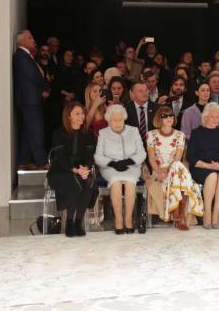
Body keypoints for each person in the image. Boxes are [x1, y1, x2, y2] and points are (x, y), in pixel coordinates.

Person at [146, 106, 203, 230]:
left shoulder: (180, 135)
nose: (169, 118)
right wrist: (159, 171)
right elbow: (151, 158)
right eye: (165, 116)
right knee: (185, 181)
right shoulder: (151, 135)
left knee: (177, 166)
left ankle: (178, 214)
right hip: (159, 171)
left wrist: (168, 171)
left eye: (171, 115)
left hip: (174, 169)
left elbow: (177, 158)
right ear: (159, 119)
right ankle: (180, 216)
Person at [94, 104, 147, 234]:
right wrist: (113, 164)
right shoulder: (103, 133)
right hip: (110, 167)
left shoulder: (133, 131)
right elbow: (98, 156)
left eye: (120, 120)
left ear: (124, 119)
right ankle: (118, 219)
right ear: (109, 121)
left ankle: (128, 219)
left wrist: (128, 161)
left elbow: (142, 153)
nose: (117, 123)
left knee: (130, 182)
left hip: (131, 166)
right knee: (116, 181)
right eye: (114, 120)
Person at [47, 102, 97, 237]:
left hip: (81, 169)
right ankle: (69, 221)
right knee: (75, 182)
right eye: (77, 113)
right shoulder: (58, 133)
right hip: (61, 170)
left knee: (90, 182)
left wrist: (85, 168)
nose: (82, 116)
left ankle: (77, 222)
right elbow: (61, 157)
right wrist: (75, 170)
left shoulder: (89, 134)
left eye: (82, 113)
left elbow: (89, 154)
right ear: (68, 116)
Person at [186, 102, 219, 229]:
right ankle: (207, 212)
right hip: (200, 168)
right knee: (212, 176)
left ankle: (216, 213)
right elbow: (190, 156)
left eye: (218, 117)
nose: (215, 119)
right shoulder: (196, 133)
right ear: (205, 116)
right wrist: (207, 166)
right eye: (212, 116)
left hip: (218, 167)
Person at [13, 30, 50, 169]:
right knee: (36, 130)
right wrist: (46, 87)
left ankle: (23, 160)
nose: (33, 40)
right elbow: (34, 76)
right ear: (21, 41)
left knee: (28, 131)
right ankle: (42, 162)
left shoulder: (24, 56)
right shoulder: (21, 56)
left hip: (30, 100)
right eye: (30, 37)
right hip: (29, 101)